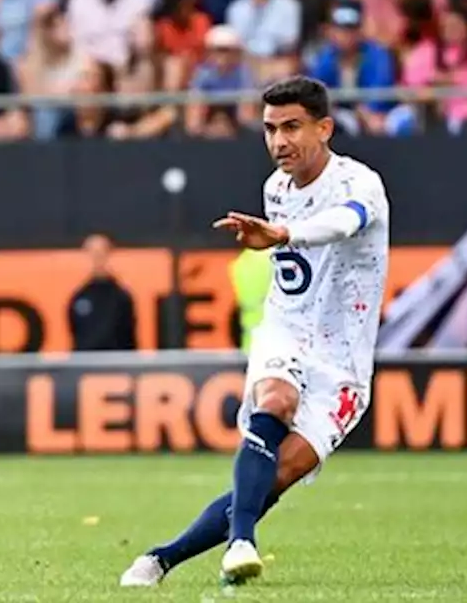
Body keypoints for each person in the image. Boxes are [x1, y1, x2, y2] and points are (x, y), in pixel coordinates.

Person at [119, 76, 389, 587]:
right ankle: (242, 541)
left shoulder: (359, 184)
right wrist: (277, 234)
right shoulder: (276, 189)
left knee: (277, 475)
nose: (279, 141)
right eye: (269, 129)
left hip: (343, 361)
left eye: (291, 127)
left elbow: (344, 223)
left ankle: (161, 558)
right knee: (275, 401)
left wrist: (283, 234)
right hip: (286, 332)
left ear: (325, 128)